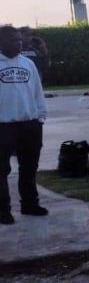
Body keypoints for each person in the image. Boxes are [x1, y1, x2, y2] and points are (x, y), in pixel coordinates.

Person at [0, 26, 48, 225]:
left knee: (29, 167)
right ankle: (3, 211)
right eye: (13, 40)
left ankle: (30, 204)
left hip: (30, 124)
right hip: (3, 126)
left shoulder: (28, 64)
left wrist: (40, 117)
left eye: (20, 40)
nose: (19, 43)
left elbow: (38, 91)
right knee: (1, 171)